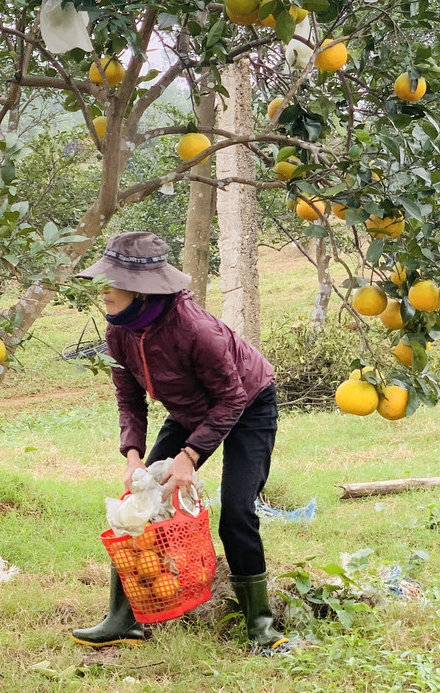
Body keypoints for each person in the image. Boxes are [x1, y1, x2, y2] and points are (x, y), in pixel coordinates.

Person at [70, 231, 299, 655]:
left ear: (140, 292)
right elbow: (129, 396)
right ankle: (124, 620)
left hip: (248, 405)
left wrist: (189, 456)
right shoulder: (120, 331)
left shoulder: (195, 329)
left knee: (236, 511)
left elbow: (231, 397)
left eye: (112, 283)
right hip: (191, 410)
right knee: (136, 504)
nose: (103, 292)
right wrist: (134, 456)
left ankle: (263, 629)